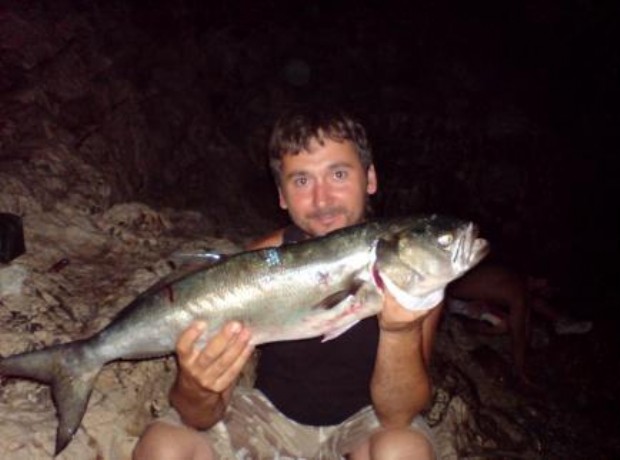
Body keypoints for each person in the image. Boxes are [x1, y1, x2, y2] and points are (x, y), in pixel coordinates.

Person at [132, 108, 441, 459]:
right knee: (165, 446)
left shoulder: (414, 262)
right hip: (269, 419)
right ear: (281, 195)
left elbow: (398, 415)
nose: (322, 199)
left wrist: (401, 331)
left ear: (369, 178)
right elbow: (200, 416)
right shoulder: (259, 263)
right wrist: (195, 386)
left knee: (403, 450)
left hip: (364, 425)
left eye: (338, 174)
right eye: (302, 181)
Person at [446, 263, 592, 387]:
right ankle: (461, 326)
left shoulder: (514, 278)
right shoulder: (518, 292)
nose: (549, 294)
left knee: (524, 308)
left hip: (456, 293)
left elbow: (524, 321)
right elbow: (518, 335)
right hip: (451, 301)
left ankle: (562, 322)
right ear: (542, 282)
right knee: (504, 326)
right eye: (550, 289)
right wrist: (521, 370)